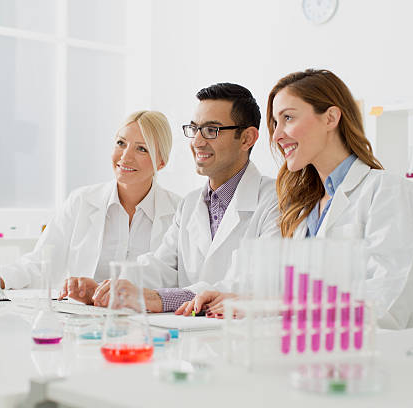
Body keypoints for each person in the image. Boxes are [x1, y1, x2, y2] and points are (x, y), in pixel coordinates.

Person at [180, 69, 413, 330]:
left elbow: (387, 306)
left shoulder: (388, 191)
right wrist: (239, 299)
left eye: (288, 118)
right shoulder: (304, 208)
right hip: (310, 359)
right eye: (275, 123)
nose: (277, 135)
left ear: (331, 118)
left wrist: (273, 307)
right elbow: (292, 296)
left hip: (377, 361)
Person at [61, 83, 280, 312]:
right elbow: (160, 267)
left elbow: (255, 284)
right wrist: (106, 290)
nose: (197, 142)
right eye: (194, 129)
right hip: (191, 340)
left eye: (211, 130)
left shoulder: (274, 200)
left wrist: (159, 299)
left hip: (243, 339)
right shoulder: (191, 203)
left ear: (247, 138)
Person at [0, 110, 180, 290]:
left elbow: (177, 281)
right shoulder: (81, 201)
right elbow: (41, 261)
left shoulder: (179, 212)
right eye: (121, 143)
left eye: (141, 148)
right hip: (82, 315)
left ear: (161, 162)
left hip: (147, 315)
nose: (125, 156)